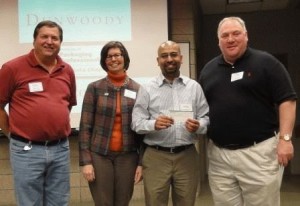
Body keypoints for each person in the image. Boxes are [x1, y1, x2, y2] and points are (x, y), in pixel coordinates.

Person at [199, 16, 297, 206]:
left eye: (236, 33)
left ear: (246, 35)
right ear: (218, 41)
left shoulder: (267, 63)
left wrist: (285, 139)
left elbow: (287, 100)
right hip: (220, 156)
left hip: (258, 153)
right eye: (225, 35)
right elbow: (202, 109)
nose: (230, 39)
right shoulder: (208, 70)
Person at [0, 20, 77, 205]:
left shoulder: (67, 70)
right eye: (44, 36)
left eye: (55, 38)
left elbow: (68, 105)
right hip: (26, 149)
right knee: (29, 203)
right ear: (34, 40)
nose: (49, 41)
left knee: (59, 202)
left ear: (60, 42)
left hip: (60, 149)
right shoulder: (12, 68)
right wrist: (11, 134)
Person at [131, 40, 209, 206]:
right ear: (158, 60)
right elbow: (136, 123)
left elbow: (206, 118)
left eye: (173, 54)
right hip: (156, 157)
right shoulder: (147, 88)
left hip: (186, 156)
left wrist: (199, 126)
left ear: (181, 58)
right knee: (154, 203)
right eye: (164, 56)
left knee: (186, 203)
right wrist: (153, 124)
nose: (169, 59)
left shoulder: (194, 87)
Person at [78, 41, 143, 206]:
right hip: (99, 155)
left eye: (117, 55)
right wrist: (86, 162)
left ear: (124, 58)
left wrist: (141, 163)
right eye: (109, 56)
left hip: (128, 156)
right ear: (104, 61)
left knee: (123, 202)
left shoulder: (138, 89)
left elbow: (143, 131)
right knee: (103, 203)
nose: (114, 59)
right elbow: (85, 127)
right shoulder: (94, 88)